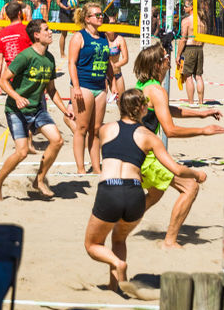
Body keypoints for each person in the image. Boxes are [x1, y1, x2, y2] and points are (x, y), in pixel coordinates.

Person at [83, 89, 207, 296]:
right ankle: (117, 287)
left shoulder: (106, 129)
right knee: (119, 240)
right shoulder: (149, 137)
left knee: (92, 244)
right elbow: (176, 169)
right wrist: (196, 173)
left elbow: (91, 132)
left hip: (110, 189)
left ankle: (116, 263)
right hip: (134, 194)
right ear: (142, 109)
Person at [133, 43, 224, 248]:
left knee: (156, 193)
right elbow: (170, 130)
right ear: (158, 65)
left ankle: (122, 224)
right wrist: (203, 130)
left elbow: (164, 109)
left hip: (134, 150)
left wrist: (201, 113)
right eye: (167, 57)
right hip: (146, 155)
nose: (171, 60)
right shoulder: (157, 90)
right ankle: (170, 241)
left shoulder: (143, 86)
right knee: (190, 187)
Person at [0, 20, 73, 200]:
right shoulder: (25, 56)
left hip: (37, 108)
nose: (51, 32)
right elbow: (3, 81)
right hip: (16, 109)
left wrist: (63, 110)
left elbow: (51, 90)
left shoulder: (50, 58)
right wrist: (17, 97)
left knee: (57, 140)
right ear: (36, 35)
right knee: (21, 152)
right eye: (46, 30)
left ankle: (39, 180)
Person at [67, 2, 111, 173]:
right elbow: (71, 63)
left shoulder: (103, 37)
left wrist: (111, 82)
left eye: (101, 15)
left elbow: (107, 63)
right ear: (87, 19)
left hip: (99, 86)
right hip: (83, 85)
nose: (101, 17)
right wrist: (76, 87)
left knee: (96, 129)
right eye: (97, 15)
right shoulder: (79, 37)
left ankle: (96, 167)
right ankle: (80, 168)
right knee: (82, 128)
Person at [0, 0, 29, 99]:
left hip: (10, 77)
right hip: (28, 75)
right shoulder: (28, 30)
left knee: (15, 106)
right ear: (20, 13)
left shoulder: (0, 35)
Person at [177, 2, 205, 104]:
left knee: (188, 76)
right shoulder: (202, 21)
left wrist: (178, 55)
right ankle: (201, 102)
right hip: (200, 49)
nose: (184, 8)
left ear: (192, 7)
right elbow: (204, 39)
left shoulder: (187, 20)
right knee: (198, 76)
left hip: (189, 48)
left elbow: (183, 39)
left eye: (185, 6)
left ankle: (191, 102)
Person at [104, 13, 129, 98]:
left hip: (116, 73)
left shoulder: (120, 39)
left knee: (121, 101)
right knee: (101, 101)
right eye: (109, 24)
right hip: (103, 74)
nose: (111, 26)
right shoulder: (101, 39)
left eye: (113, 24)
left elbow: (125, 59)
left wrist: (114, 65)